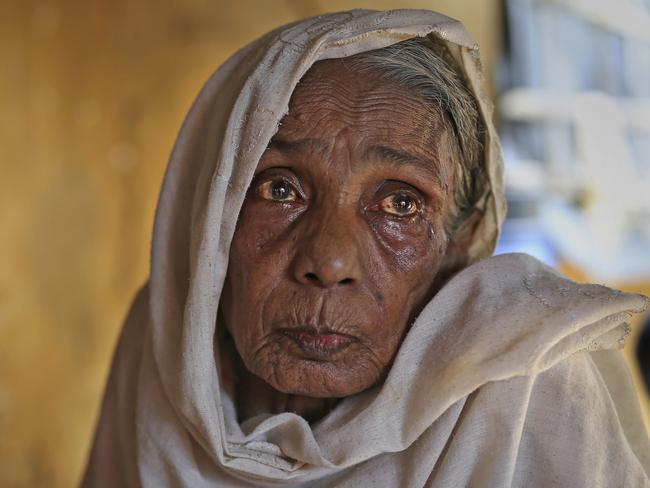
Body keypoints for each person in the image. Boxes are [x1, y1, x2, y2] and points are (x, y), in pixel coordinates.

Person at [82, 9, 650, 487]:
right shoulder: (170, 340)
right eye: (280, 188)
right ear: (208, 220)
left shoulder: (528, 394)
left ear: (462, 242)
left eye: (401, 205)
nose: (329, 263)